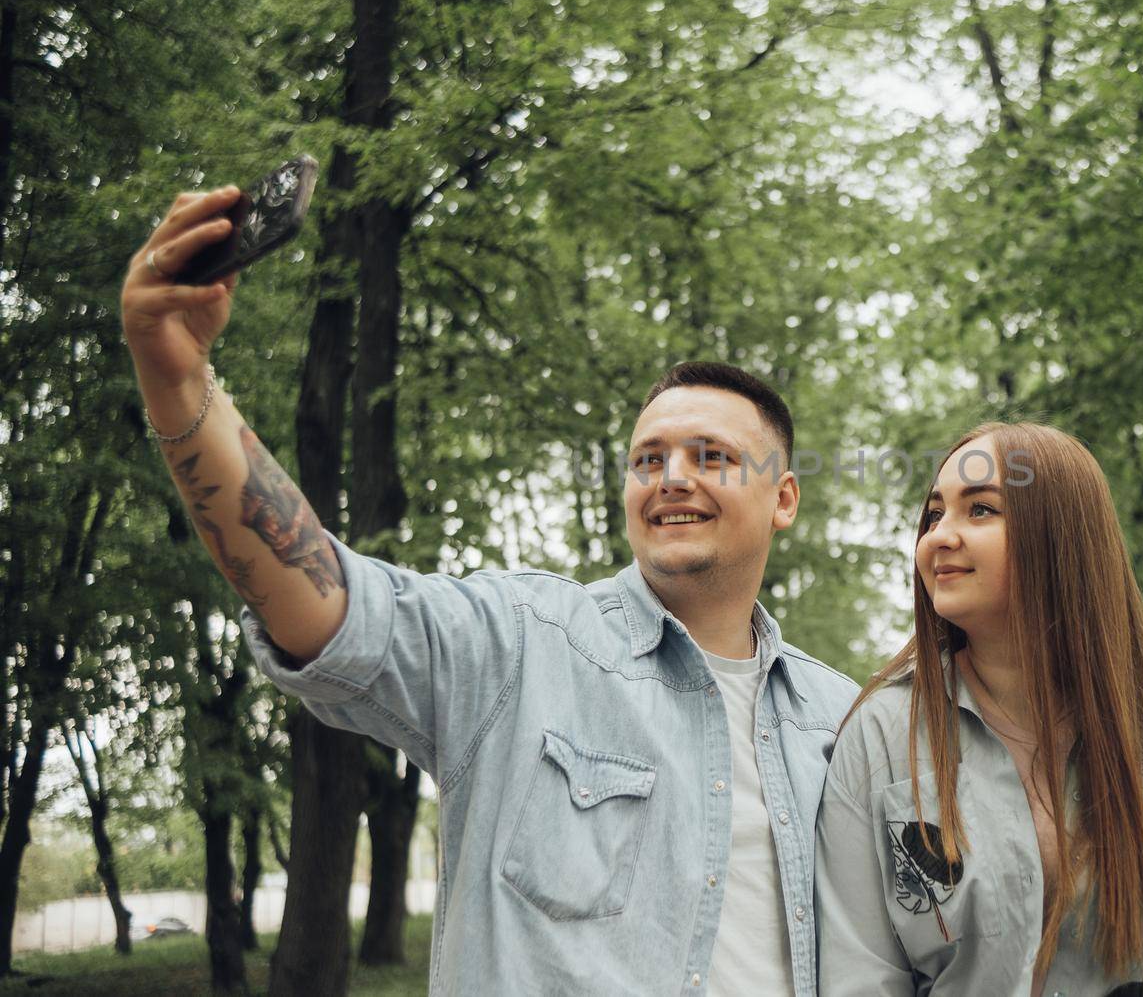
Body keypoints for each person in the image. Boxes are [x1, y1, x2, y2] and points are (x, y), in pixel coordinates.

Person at [121, 186, 859, 995]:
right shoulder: (517, 643)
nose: (670, 478)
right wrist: (177, 376)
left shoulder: (842, 722)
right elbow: (320, 600)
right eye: (648, 459)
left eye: (710, 455)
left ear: (784, 497)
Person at [815, 422, 1143, 996]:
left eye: (980, 509)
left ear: (1061, 535)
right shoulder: (882, 736)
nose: (939, 537)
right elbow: (859, 976)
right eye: (933, 515)